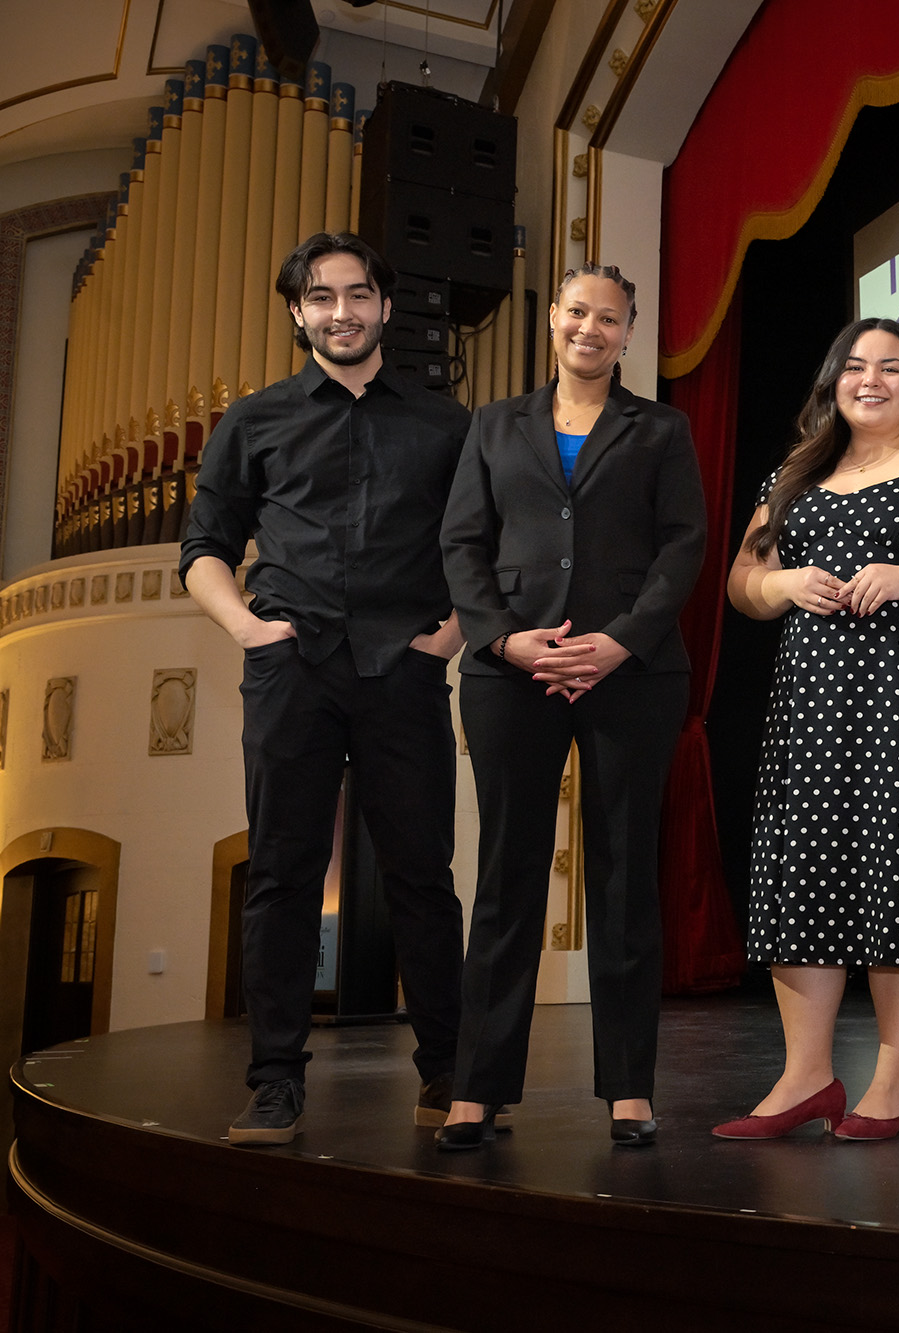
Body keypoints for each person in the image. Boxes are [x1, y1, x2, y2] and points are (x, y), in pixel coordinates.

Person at [181, 232, 470, 1145]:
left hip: (405, 672)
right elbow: (203, 551)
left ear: (385, 305)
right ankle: (274, 1083)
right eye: (320, 296)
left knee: (423, 878)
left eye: (357, 293)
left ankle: (449, 1074)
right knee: (280, 878)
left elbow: (487, 551)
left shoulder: (446, 425)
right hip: (291, 669)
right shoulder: (253, 421)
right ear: (297, 312)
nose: (340, 311)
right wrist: (247, 629)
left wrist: (449, 640)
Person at [717, 317, 899, 1141]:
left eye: (892, 367)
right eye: (855, 366)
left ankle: (894, 1084)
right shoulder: (794, 475)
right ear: (832, 382)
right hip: (812, 704)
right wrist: (780, 588)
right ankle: (806, 1076)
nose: (872, 379)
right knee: (806, 875)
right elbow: (744, 580)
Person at [436, 264, 705, 1149]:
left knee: (626, 876)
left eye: (610, 317)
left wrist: (620, 639)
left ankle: (629, 1086)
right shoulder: (492, 424)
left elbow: (683, 546)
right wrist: (505, 638)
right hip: (511, 673)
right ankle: (477, 1087)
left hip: (632, 672)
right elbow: (461, 543)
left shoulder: (661, 429)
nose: (591, 328)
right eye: (577, 312)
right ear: (553, 319)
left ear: (630, 333)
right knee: (507, 876)